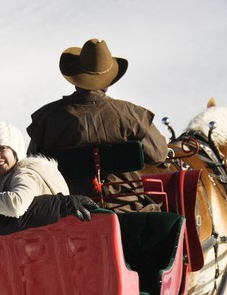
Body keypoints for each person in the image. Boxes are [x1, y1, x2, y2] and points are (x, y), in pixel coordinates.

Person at [26, 38, 169, 212]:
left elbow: (32, 162)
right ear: (108, 82)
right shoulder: (132, 115)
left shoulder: (46, 119)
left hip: (68, 209)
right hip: (125, 208)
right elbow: (159, 154)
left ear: (75, 78)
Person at [0, 121, 69, 217]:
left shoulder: (25, 174)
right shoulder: (8, 177)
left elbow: (16, 205)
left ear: (16, 150)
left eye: (2, 148)